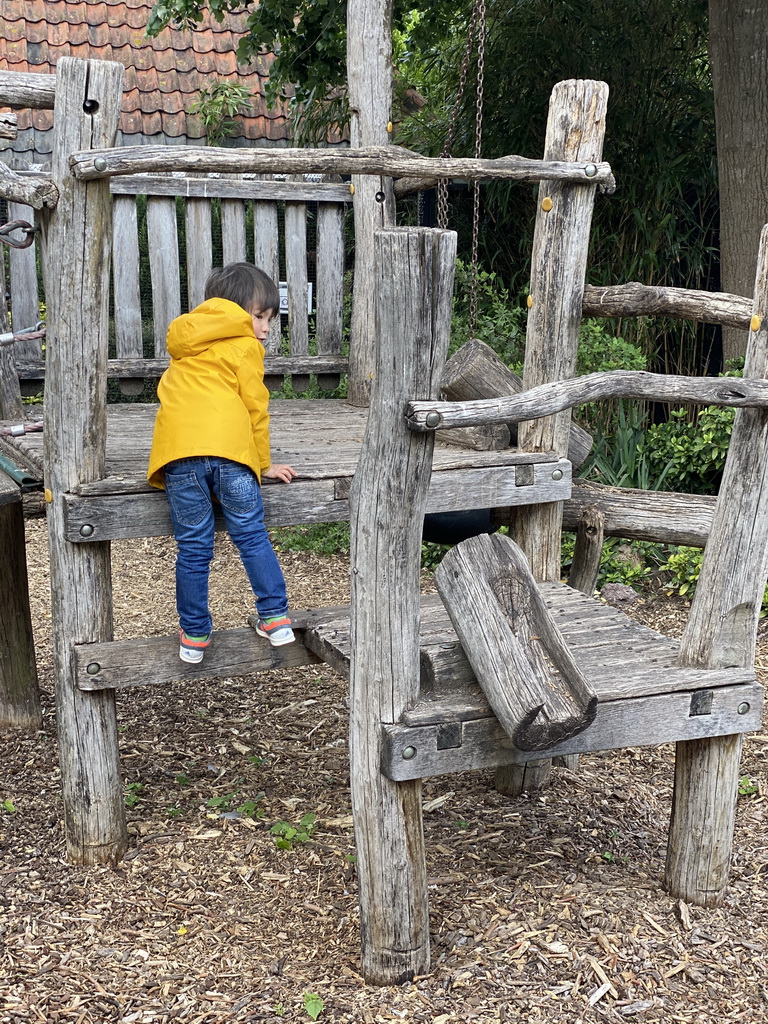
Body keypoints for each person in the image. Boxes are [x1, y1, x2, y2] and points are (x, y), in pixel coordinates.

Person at [147, 262, 297, 663]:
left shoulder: (185, 346)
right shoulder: (245, 347)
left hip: (180, 458)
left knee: (193, 549)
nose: (265, 328)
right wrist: (263, 463)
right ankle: (276, 617)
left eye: (270, 319)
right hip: (231, 455)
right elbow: (255, 407)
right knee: (250, 534)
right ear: (232, 310)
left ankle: (194, 635)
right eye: (259, 316)